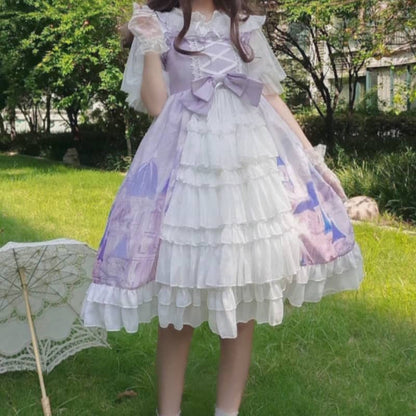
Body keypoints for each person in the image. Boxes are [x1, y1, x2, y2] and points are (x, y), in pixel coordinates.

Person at [81, 1, 365, 415]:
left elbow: (270, 96)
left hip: (246, 168)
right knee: (178, 304)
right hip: (188, 169)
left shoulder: (243, 25)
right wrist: (149, 44)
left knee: (244, 295)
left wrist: (313, 159)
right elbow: (156, 105)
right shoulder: (160, 24)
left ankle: (226, 412)